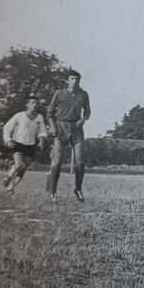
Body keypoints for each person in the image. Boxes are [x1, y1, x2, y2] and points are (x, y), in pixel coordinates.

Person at [47, 70, 91, 202]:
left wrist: (83, 120)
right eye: (72, 78)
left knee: (80, 160)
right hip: (61, 127)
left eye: (77, 79)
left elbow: (88, 111)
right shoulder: (59, 93)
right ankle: (53, 192)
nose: (75, 81)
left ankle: (78, 189)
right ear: (67, 80)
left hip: (76, 128)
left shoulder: (83, 94)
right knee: (57, 161)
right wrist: (53, 127)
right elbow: (49, 112)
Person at [1, 96, 48, 195]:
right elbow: (7, 127)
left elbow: (42, 131)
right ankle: (9, 176)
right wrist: (8, 140)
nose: (35, 105)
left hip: (30, 146)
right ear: (27, 105)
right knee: (19, 165)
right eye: (33, 103)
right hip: (18, 143)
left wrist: (41, 140)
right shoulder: (19, 115)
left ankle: (11, 188)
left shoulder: (39, 117)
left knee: (23, 170)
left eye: (36, 103)